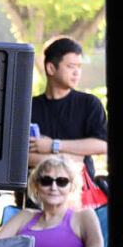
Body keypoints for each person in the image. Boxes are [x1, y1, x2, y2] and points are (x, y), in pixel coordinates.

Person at [27, 37, 107, 201]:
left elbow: (102, 145)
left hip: (80, 197)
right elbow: (21, 157)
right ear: (51, 68)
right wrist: (73, 158)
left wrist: (52, 145)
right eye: (71, 66)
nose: (77, 72)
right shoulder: (29, 107)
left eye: (79, 67)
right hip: (35, 199)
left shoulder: (89, 104)